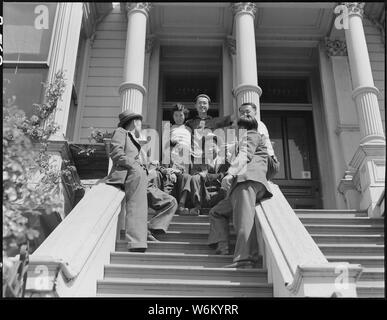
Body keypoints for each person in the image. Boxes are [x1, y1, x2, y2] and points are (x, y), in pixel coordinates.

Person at [105, 110, 177, 252]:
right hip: (131, 173)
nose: (141, 125)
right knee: (137, 207)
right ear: (133, 122)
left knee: (170, 202)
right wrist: (134, 165)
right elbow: (115, 153)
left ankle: (149, 228)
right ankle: (136, 243)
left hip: (144, 177)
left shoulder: (137, 141)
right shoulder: (121, 132)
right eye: (139, 122)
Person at [208, 114, 273, 268]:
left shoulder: (251, 135)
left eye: (235, 126)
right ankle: (223, 245)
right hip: (240, 185)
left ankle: (246, 259)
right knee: (216, 212)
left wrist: (231, 173)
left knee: (243, 220)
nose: (233, 129)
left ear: (243, 127)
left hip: (247, 180)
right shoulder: (245, 139)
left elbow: (245, 155)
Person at [160, 103, 192, 215]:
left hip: (186, 157)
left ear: (185, 116)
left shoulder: (189, 128)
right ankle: (169, 204)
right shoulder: (169, 128)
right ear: (173, 116)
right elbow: (165, 145)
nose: (179, 118)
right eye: (176, 115)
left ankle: (182, 204)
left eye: (181, 115)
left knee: (185, 179)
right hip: (173, 156)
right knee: (171, 179)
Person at [185, 94, 236, 163]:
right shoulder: (189, 122)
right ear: (195, 105)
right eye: (200, 103)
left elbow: (234, 117)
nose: (202, 105)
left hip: (210, 157)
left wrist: (235, 98)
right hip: (195, 158)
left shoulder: (214, 121)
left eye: (204, 103)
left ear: (209, 106)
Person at [189, 134, 230, 216]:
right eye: (207, 146)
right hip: (204, 194)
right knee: (195, 178)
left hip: (220, 194)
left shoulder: (225, 163)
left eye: (212, 146)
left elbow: (225, 174)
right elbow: (194, 175)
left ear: (218, 148)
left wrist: (207, 176)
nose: (210, 149)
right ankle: (198, 206)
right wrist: (216, 176)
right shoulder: (198, 163)